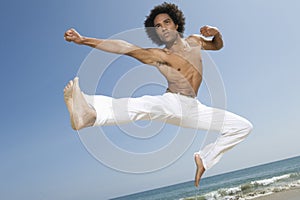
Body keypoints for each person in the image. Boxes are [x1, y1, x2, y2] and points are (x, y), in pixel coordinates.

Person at [63, 2, 253, 188]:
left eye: (166, 22)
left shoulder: (195, 41)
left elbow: (217, 46)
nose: (163, 28)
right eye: (158, 27)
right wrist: (83, 40)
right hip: (173, 101)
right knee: (145, 106)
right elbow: (123, 47)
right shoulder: (160, 55)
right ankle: (91, 113)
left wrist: (216, 32)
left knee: (242, 127)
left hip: (195, 107)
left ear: (176, 24)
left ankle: (205, 158)